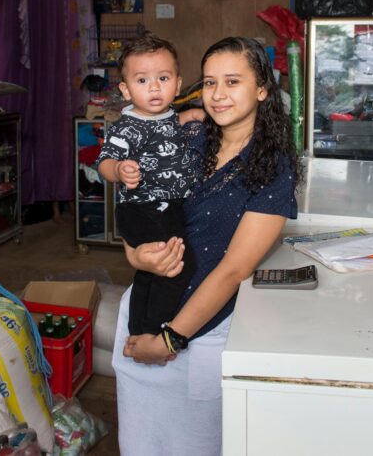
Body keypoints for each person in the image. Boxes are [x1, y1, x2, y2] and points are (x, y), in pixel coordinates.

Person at [112, 36, 299, 455]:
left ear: (262, 89)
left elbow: (234, 269)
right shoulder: (188, 139)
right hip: (144, 308)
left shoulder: (271, 168)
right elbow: (137, 209)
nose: (218, 95)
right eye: (210, 82)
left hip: (197, 335)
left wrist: (170, 341)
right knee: (140, 444)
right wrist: (135, 255)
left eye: (233, 82)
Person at [95, 33, 199, 336]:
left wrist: (192, 115)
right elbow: (103, 162)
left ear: (178, 84)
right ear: (126, 90)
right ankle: (156, 330)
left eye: (163, 78)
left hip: (168, 208)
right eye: (142, 81)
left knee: (149, 271)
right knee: (177, 266)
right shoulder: (126, 127)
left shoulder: (170, 117)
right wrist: (119, 169)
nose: (154, 87)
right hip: (141, 209)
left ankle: (138, 327)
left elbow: (172, 127)